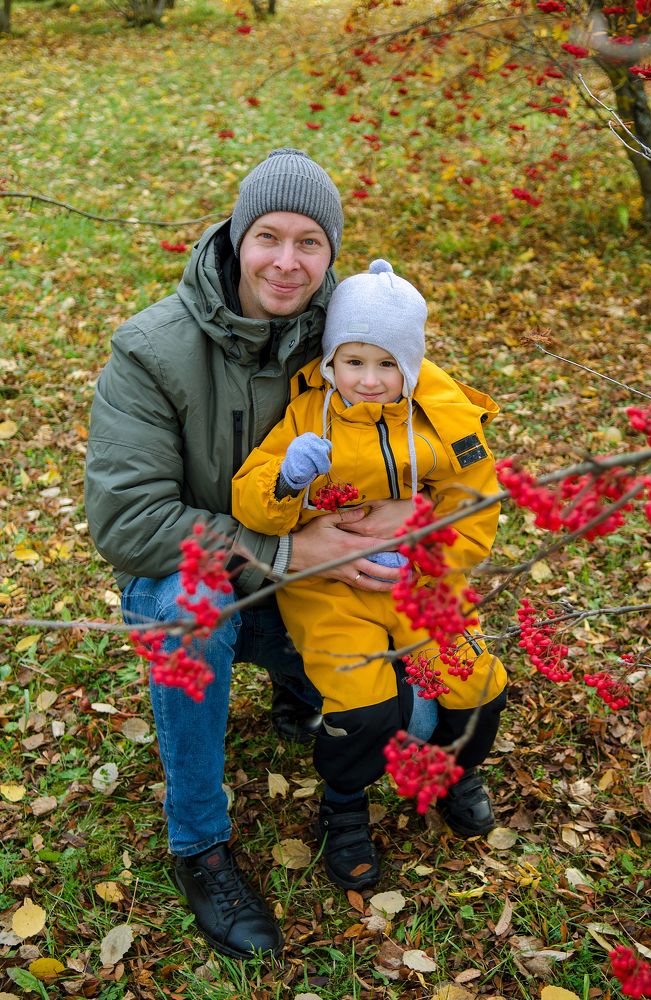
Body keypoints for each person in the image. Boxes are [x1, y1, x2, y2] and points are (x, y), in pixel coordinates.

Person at [84, 149, 410, 961]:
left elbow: (421, 426)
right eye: (268, 236)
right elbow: (126, 521)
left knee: (418, 693)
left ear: (332, 253)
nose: (286, 262)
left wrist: (411, 509)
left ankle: (302, 690)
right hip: (196, 574)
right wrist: (284, 549)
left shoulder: (348, 334)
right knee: (191, 612)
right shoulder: (151, 351)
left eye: (310, 242)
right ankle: (199, 843)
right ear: (237, 237)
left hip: (317, 580)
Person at [231, 259, 508, 892]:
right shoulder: (308, 415)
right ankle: (345, 803)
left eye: (388, 365)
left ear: (411, 366)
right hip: (330, 589)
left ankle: (456, 770)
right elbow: (251, 500)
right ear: (332, 361)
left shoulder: (443, 421)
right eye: (353, 361)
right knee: (362, 706)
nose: (370, 380)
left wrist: (426, 538)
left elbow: (476, 509)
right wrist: (288, 480)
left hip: (422, 583)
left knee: (478, 686)